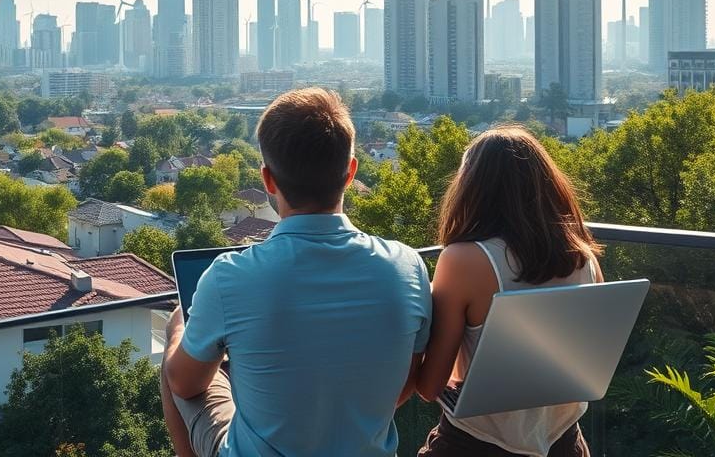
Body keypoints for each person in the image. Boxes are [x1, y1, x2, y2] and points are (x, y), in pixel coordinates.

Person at [161, 87, 432, 457]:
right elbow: (401, 388)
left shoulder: (229, 277)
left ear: (268, 179)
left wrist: (180, 328)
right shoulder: (407, 267)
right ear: (351, 171)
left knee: (177, 348)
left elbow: (185, 384)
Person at [410, 125, 603, 457]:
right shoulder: (583, 259)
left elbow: (430, 387)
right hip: (566, 442)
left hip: (475, 445)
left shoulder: (464, 260)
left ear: (472, 188)